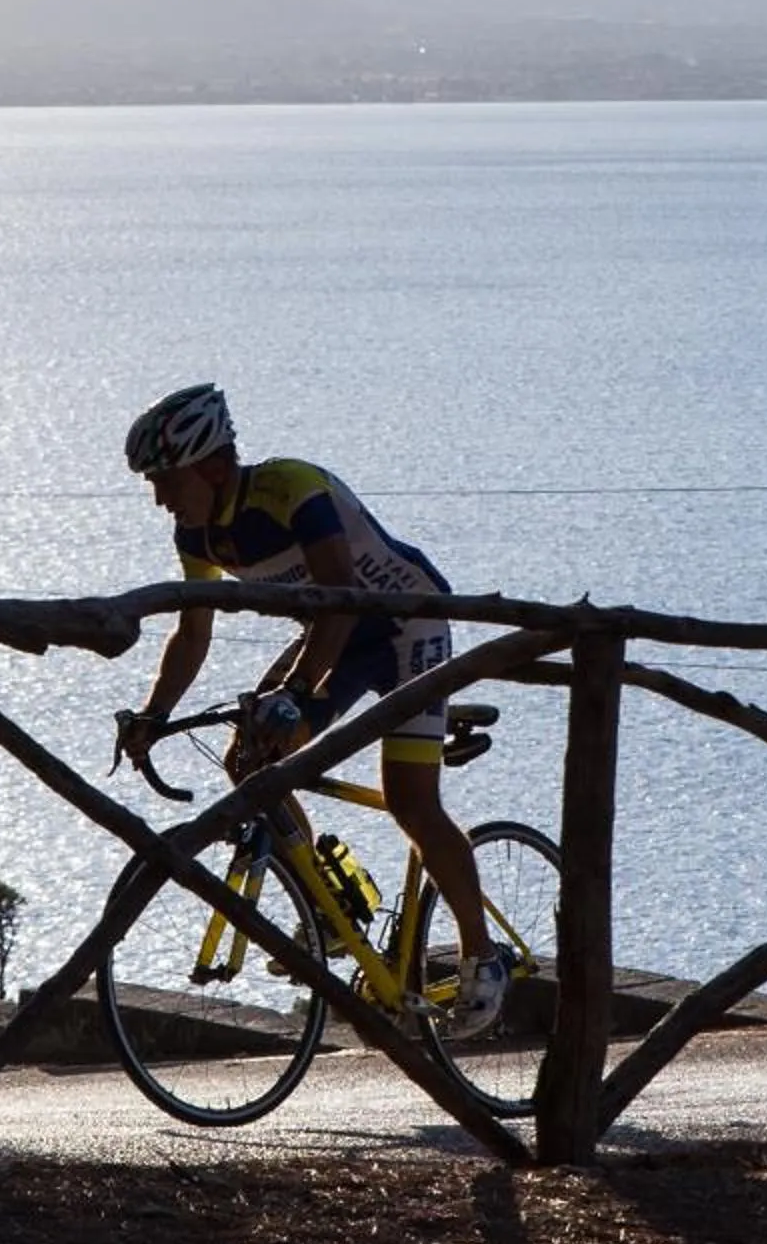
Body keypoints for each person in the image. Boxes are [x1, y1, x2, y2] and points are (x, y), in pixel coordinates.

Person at [113, 382, 510, 1036]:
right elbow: (194, 629)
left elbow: (343, 597)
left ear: (211, 466)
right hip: (337, 636)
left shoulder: (293, 489)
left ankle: (480, 955)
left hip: (407, 626)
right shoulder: (197, 530)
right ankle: (330, 908)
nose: (159, 497)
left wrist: (295, 692)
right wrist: (154, 714)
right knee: (250, 761)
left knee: (411, 801)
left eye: (166, 479)